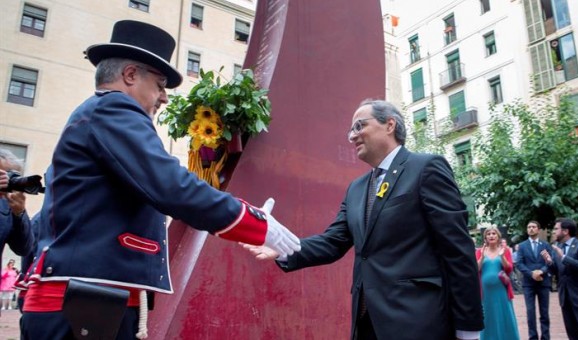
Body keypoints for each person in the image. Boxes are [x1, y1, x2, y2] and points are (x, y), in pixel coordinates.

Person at [19, 20, 300, 340]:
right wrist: (254, 223)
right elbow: (169, 185)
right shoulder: (114, 108)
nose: (164, 97)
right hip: (81, 305)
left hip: (90, 300)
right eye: (159, 84)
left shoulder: (98, 114)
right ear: (129, 75)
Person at [243, 99, 484, 340]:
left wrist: (468, 329)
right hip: (366, 323)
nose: (352, 136)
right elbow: (332, 242)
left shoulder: (426, 168)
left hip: (419, 321)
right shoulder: (356, 189)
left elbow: (457, 249)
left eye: (359, 126)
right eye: (351, 130)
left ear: (390, 125)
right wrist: (280, 244)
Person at [541, 218, 578, 340]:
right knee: (572, 332)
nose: (554, 231)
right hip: (565, 297)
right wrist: (550, 263)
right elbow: (558, 272)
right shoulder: (557, 248)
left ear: (565, 231)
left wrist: (564, 257)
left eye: (556, 229)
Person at [0, 148, 34, 313]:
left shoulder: (8, 205)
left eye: (12, 176)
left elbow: (24, 248)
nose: (7, 180)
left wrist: (19, 213)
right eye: (3, 174)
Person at [475, 226, 520, 340]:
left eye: (494, 233)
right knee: (487, 315)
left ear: (498, 237)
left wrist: (502, 256)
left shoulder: (504, 250)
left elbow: (509, 269)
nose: (491, 235)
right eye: (488, 234)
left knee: (503, 314)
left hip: (501, 290)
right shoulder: (480, 251)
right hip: (485, 291)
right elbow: (476, 269)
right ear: (485, 237)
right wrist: (482, 257)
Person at [516, 221, 552, 340]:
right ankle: (533, 337)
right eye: (529, 227)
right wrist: (531, 274)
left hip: (543, 282)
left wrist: (541, 271)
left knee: (544, 312)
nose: (531, 229)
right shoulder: (522, 246)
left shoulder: (546, 245)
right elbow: (519, 264)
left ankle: (545, 337)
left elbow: (550, 262)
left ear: (538, 229)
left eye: (533, 227)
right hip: (528, 284)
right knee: (530, 312)